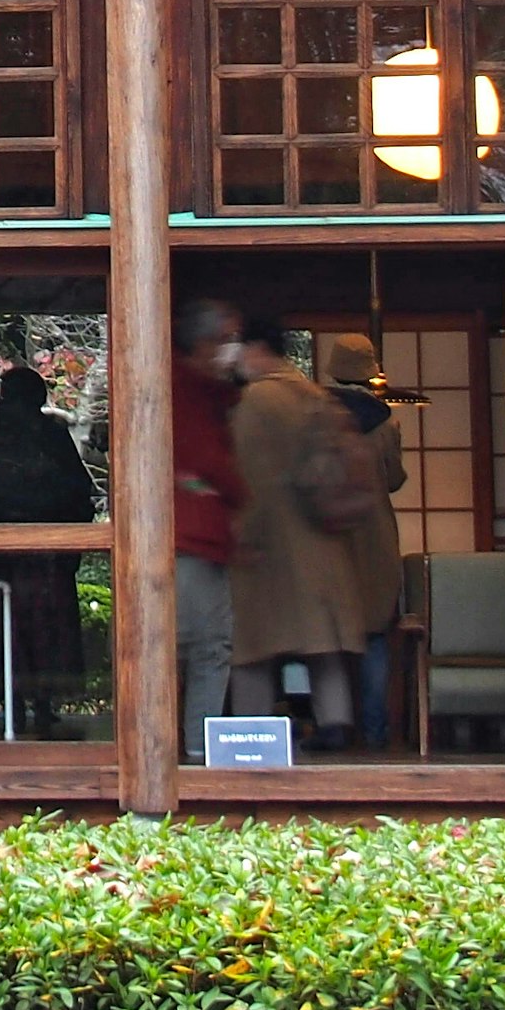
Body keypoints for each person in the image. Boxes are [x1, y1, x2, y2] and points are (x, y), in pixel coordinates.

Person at [227, 316, 375, 747]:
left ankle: (249, 738)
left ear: (256, 348)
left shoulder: (256, 401)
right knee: (323, 650)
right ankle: (337, 730)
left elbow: (247, 478)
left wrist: (239, 536)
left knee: (251, 651)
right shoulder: (315, 395)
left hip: (270, 549)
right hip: (323, 542)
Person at [0, 362, 100, 733]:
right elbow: (77, 492)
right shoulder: (45, 434)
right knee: (40, 630)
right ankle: (40, 701)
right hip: (39, 556)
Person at [314, 332, 410, 750]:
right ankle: (375, 733)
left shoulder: (311, 415)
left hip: (326, 534)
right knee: (374, 635)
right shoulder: (385, 421)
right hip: (374, 537)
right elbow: (393, 479)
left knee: (328, 637)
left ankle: (331, 728)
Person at [172, 297, 246, 747]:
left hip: (200, 536)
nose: (232, 350)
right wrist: (234, 491)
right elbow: (206, 462)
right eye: (225, 340)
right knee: (203, 647)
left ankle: (192, 744)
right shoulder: (185, 391)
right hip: (191, 538)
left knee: (198, 647)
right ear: (202, 344)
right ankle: (196, 746)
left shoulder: (208, 392)